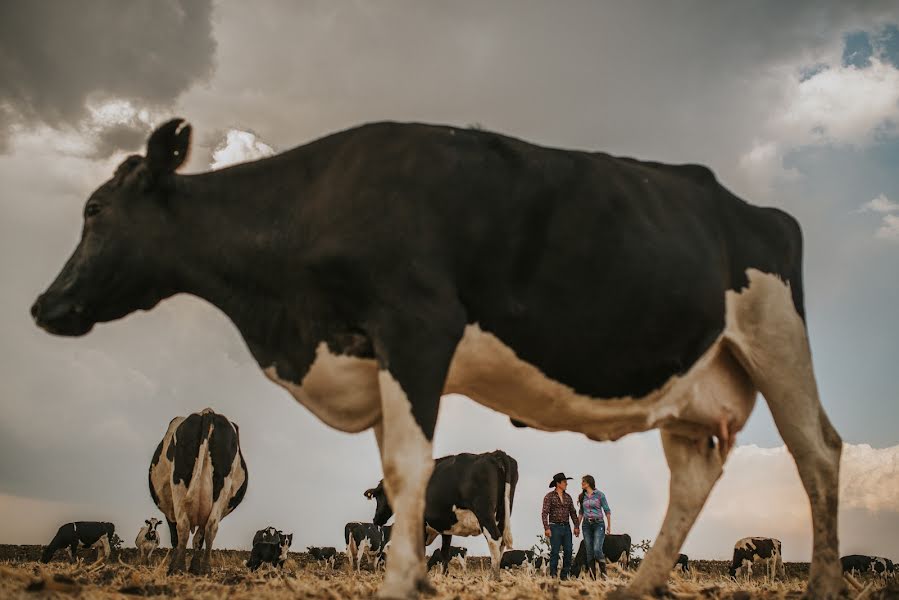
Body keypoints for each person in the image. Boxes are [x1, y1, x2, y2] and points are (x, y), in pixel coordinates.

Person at [541, 472, 580, 579]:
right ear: (558, 483)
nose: (566, 484)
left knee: (568, 550)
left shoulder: (568, 497)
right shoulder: (549, 497)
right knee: (555, 551)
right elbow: (545, 513)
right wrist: (546, 528)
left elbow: (572, 512)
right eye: (564, 482)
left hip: (566, 527)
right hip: (554, 527)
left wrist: (576, 526)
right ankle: (553, 574)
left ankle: (564, 575)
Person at [578, 474, 612, 579]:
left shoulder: (600, 495)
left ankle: (604, 573)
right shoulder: (582, 496)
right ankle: (593, 578)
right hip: (586, 525)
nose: (581, 484)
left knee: (597, 549)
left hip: (598, 524)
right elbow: (581, 512)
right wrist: (576, 526)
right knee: (589, 551)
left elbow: (607, 510)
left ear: (589, 483)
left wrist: (609, 525)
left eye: (583, 481)